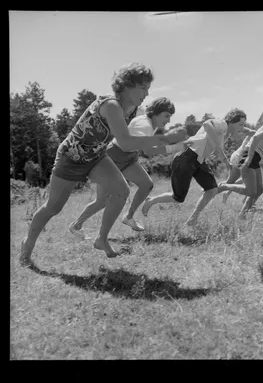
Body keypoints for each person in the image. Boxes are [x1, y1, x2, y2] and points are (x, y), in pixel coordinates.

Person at [19, 62, 187, 266]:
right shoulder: (112, 105)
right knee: (53, 207)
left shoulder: (134, 108)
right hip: (70, 157)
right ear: (127, 85)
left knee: (121, 191)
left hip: (96, 156)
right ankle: (27, 246)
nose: (147, 92)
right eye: (143, 87)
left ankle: (102, 239)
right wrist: (166, 139)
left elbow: (140, 129)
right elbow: (125, 142)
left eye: (148, 88)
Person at [68, 97, 187, 234]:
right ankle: (76, 225)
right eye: (166, 115)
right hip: (112, 157)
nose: (169, 120)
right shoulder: (145, 125)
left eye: (170, 116)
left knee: (146, 184)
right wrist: (175, 148)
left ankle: (129, 217)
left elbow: (140, 112)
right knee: (102, 201)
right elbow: (147, 150)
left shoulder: (149, 121)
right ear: (156, 113)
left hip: (129, 157)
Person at [141, 108, 248, 225]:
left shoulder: (223, 135)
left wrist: (227, 163)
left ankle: (193, 219)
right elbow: (207, 124)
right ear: (231, 121)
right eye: (240, 124)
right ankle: (151, 201)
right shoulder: (222, 124)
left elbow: (218, 150)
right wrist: (218, 145)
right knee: (178, 197)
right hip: (187, 156)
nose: (241, 128)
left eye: (243, 125)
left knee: (212, 190)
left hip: (198, 160)